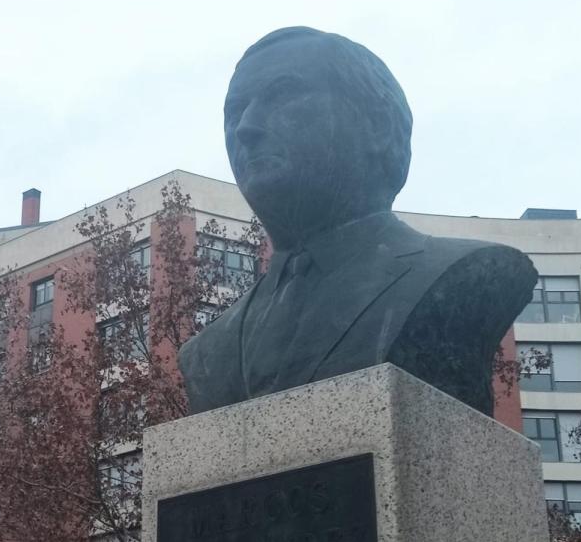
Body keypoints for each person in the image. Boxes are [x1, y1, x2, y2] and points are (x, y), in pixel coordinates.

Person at [179, 27, 537, 416]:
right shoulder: (207, 353)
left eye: (282, 95)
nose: (245, 127)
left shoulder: (465, 274)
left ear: (378, 127)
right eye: (235, 111)